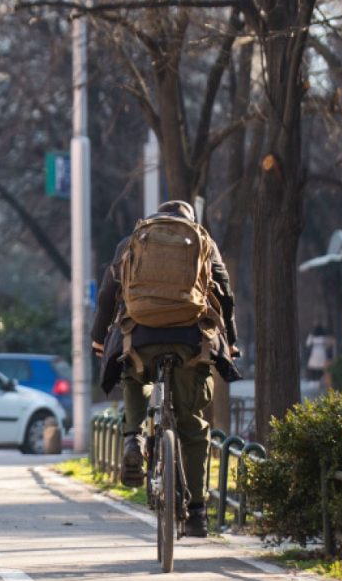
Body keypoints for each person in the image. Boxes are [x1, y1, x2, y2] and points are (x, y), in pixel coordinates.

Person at [91, 200, 241, 537]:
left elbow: (107, 295)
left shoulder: (131, 241)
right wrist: (231, 341)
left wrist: (98, 339)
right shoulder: (203, 241)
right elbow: (225, 294)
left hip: (140, 336)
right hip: (190, 340)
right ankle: (198, 512)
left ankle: (133, 438)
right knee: (193, 425)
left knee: (132, 374)